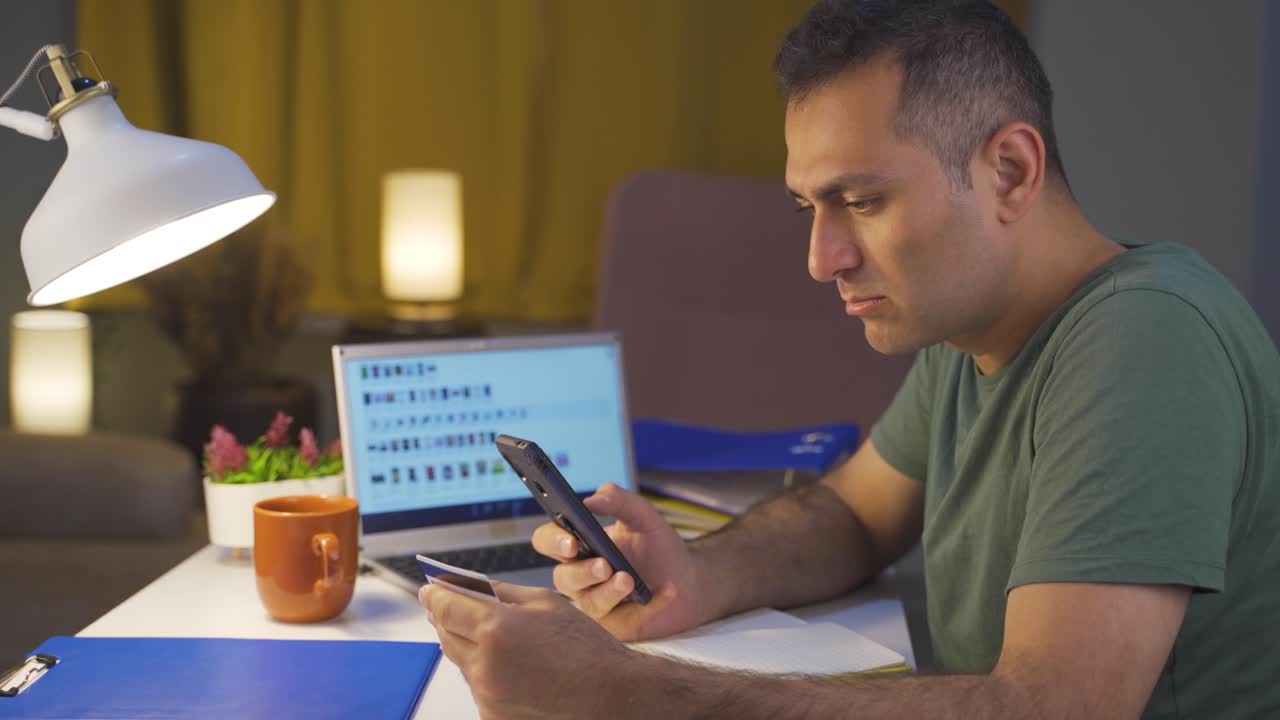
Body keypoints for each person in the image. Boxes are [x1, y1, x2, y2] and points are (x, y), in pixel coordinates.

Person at [419, 1, 1280, 717]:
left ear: (1012, 172)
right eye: (809, 208)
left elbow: (1054, 708)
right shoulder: (973, 325)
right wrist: (698, 572)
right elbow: (857, 516)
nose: (822, 258)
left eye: (861, 201)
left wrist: (614, 689)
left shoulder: (1145, 337)